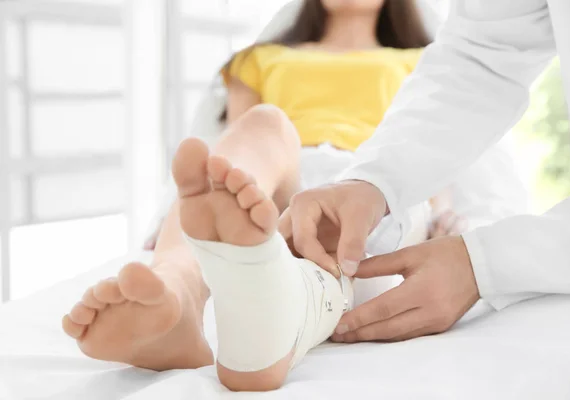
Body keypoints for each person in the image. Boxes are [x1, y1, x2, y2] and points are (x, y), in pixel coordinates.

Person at [61, 0, 526, 392]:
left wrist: (443, 214)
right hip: (280, 182)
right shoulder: (258, 60)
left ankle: (287, 303)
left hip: (370, 179)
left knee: (353, 219)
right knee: (262, 128)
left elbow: (429, 147)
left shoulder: (422, 63)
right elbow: (231, 148)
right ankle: (180, 289)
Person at [281, 0, 570, 345]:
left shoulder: (395, 57)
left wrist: (484, 263)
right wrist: (373, 182)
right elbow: (481, 59)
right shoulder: (266, 60)